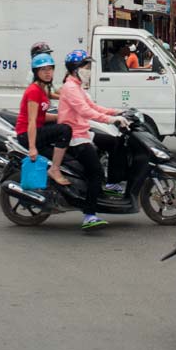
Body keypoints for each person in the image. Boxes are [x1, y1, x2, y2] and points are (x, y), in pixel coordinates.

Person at [58, 50, 138, 230]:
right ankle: (89, 215)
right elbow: (86, 112)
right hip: (74, 137)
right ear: (75, 69)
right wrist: (111, 119)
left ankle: (112, 183)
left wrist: (116, 111)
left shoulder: (77, 86)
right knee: (95, 173)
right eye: (86, 67)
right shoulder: (70, 88)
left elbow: (93, 106)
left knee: (115, 142)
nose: (89, 70)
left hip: (83, 132)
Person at [17, 53, 72, 187]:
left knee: (66, 154)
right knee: (65, 130)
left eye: (50, 69)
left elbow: (43, 114)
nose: (48, 73)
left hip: (38, 129)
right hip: (27, 133)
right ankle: (54, 169)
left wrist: (64, 113)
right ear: (36, 72)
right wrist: (32, 148)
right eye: (43, 69)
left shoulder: (42, 89)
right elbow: (32, 120)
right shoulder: (34, 91)